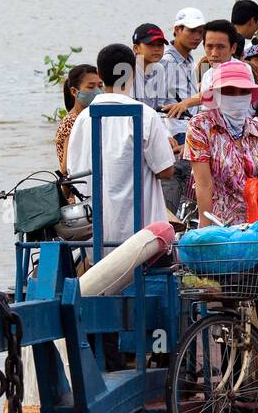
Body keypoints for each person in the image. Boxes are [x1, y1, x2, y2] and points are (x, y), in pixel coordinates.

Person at [67, 44, 175, 252]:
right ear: (133, 72)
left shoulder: (82, 119)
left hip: (96, 242)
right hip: (143, 243)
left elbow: (74, 174)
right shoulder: (146, 115)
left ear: (100, 74)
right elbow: (166, 170)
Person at [184, 60, 258, 227]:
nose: (237, 97)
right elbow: (204, 185)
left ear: (250, 96)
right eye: (229, 91)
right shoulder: (201, 127)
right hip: (218, 224)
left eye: (243, 92)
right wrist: (206, 232)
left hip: (257, 224)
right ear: (217, 94)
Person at [155, 6, 205, 116]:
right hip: (175, 128)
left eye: (201, 32)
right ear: (177, 29)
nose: (197, 37)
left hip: (189, 125)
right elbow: (157, 103)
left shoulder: (189, 59)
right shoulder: (166, 61)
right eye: (192, 31)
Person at [55, 64, 103, 174]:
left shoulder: (88, 117)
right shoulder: (72, 121)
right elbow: (66, 167)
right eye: (91, 87)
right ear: (74, 91)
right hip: (77, 186)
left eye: (100, 86)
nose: (98, 92)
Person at [131, 23, 168, 109]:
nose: (157, 49)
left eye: (160, 45)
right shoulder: (130, 69)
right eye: (151, 44)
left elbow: (159, 105)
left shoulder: (159, 68)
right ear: (136, 48)